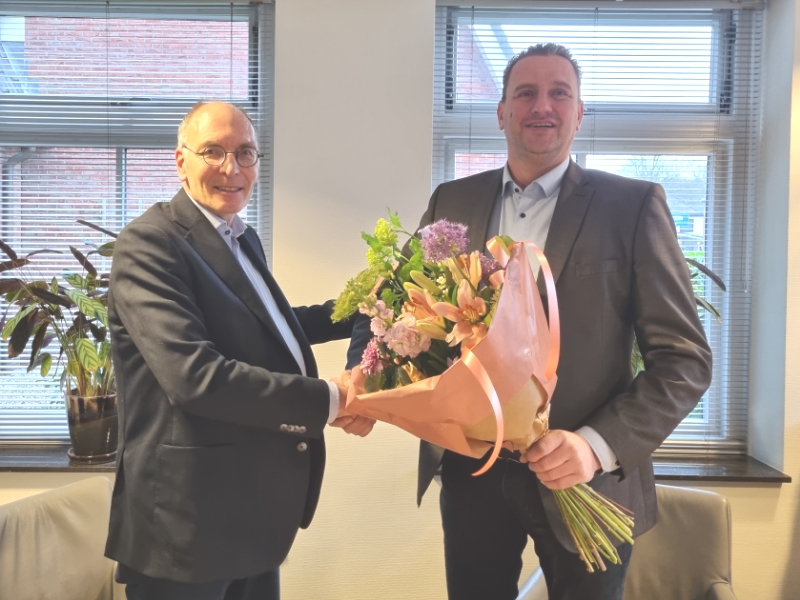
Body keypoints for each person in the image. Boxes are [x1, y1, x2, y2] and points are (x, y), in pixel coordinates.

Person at [347, 44, 712, 600]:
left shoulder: (632, 205)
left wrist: (595, 446)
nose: (542, 106)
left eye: (559, 93)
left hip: (586, 479)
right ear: (502, 112)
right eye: (526, 93)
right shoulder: (452, 200)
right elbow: (386, 305)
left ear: (579, 113)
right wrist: (364, 378)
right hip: (472, 472)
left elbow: (685, 362)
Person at [105, 100, 374, 600]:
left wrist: (360, 306)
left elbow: (263, 329)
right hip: (185, 529)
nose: (232, 169)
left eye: (245, 153)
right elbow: (194, 376)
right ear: (181, 161)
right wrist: (333, 399)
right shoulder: (149, 243)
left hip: (248, 516)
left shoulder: (239, 237)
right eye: (214, 151)